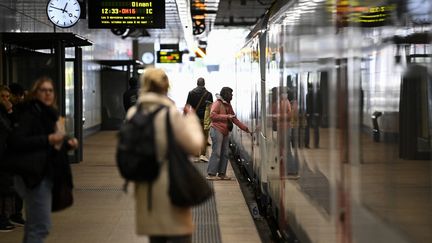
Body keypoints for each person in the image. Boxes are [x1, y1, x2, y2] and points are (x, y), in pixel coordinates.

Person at [127, 68, 203, 243]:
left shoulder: (134, 114)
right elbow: (194, 145)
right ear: (165, 87)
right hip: (171, 187)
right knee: (180, 237)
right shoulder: (169, 114)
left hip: (146, 190)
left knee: (156, 238)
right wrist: (191, 119)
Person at [7, 76, 79, 243]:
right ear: (35, 93)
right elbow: (16, 141)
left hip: (45, 171)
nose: (47, 94)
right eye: (43, 90)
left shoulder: (49, 114)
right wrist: (48, 139)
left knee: (34, 224)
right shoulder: (29, 114)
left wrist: (67, 143)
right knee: (41, 226)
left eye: (50, 90)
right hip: (34, 175)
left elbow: (54, 140)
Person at [207, 87, 250, 180]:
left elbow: (234, 118)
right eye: (231, 94)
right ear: (226, 94)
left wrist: (245, 128)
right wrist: (227, 117)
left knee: (225, 153)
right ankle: (211, 174)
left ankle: (222, 173)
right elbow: (212, 115)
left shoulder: (228, 105)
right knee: (217, 152)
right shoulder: (217, 103)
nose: (232, 96)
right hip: (217, 129)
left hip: (225, 131)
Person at [185, 77, 213, 162]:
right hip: (204, 119)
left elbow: (187, 105)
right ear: (204, 83)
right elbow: (211, 108)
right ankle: (202, 155)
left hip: (194, 118)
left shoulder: (191, 93)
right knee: (204, 137)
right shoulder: (209, 94)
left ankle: (196, 153)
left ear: (197, 83)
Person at [0, 85, 15, 232]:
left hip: (6, 154)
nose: (5, 99)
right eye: (2, 96)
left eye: (7, 96)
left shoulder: (7, 112)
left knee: (7, 186)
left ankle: (6, 216)